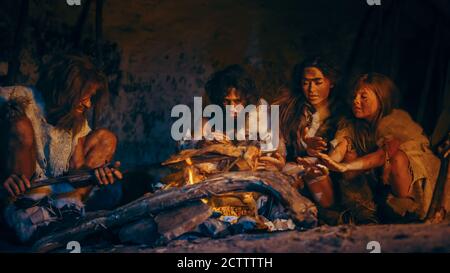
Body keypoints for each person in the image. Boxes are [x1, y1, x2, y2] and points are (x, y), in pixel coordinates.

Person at [0, 55, 123, 242]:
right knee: (20, 126)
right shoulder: (22, 96)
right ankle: (26, 214)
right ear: (68, 90)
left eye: (91, 98)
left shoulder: (75, 119)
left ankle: (69, 209)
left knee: (107, 138)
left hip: (58, 196)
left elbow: (76, 170)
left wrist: (96, 174)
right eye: (86, 95)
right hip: (18, 195)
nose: (89, 104)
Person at [318, 73, 440, 222]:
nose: (356, 101)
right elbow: (340, 147)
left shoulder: (394, 120)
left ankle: (406, 214)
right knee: (349, 153)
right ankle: (364, 212)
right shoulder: (353, 124)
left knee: (397, 158)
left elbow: (384, 155)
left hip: (411, 181)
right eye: (355, 96)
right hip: (377, 180)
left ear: (381, 99)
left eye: (363, 97)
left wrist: (346, 166)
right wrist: (326, 163)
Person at [275, 56, 346, 208]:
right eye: (306, 83)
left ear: (331, 82)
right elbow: (281, 147)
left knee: (315, 173)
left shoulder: (341, 114)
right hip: (293, 168)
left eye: (318, 82)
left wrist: (316, 156)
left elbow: (343, 149)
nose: (311, 89)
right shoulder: (289, 110)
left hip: (330, 175)